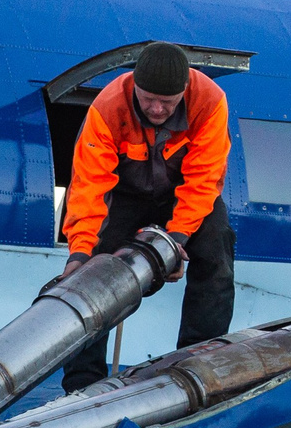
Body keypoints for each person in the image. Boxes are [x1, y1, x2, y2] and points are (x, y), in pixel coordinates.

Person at [55, 40, 235, 393]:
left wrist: (177, 240)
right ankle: (81, 382)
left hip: (182, 195)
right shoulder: (108, 106)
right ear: (134, 84)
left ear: (184, 90)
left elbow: (203, 180)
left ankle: (198, 363)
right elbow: (89, 186)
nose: (156, 109)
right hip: (125, 194)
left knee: (217, 247)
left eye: (167, 102)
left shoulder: (210, 101)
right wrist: (80, 252)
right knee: (91, 268)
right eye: (147, 98)